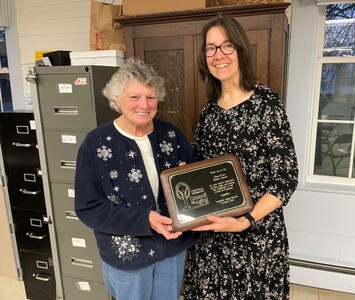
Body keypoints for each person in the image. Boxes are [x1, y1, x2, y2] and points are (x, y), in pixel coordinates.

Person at [184, 15, 299, 300]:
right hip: (212, 238)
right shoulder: (209, 112)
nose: (218, 55)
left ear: (240, 50)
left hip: (255, 236)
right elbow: (201, 170)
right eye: (210, 48)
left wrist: (246, 220)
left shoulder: (266, 105)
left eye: (226, 46)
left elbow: (285, 178)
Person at [74, 57, 197, 300]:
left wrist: (190, 177)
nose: (144, 104)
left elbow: (194, 187)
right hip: (128, 257)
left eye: (150, 97)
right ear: (116, 100)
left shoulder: (171, 135)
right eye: (134, 97)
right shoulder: (96, 143)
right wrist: (145, 219)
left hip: (172, 249)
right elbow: (88, 208)